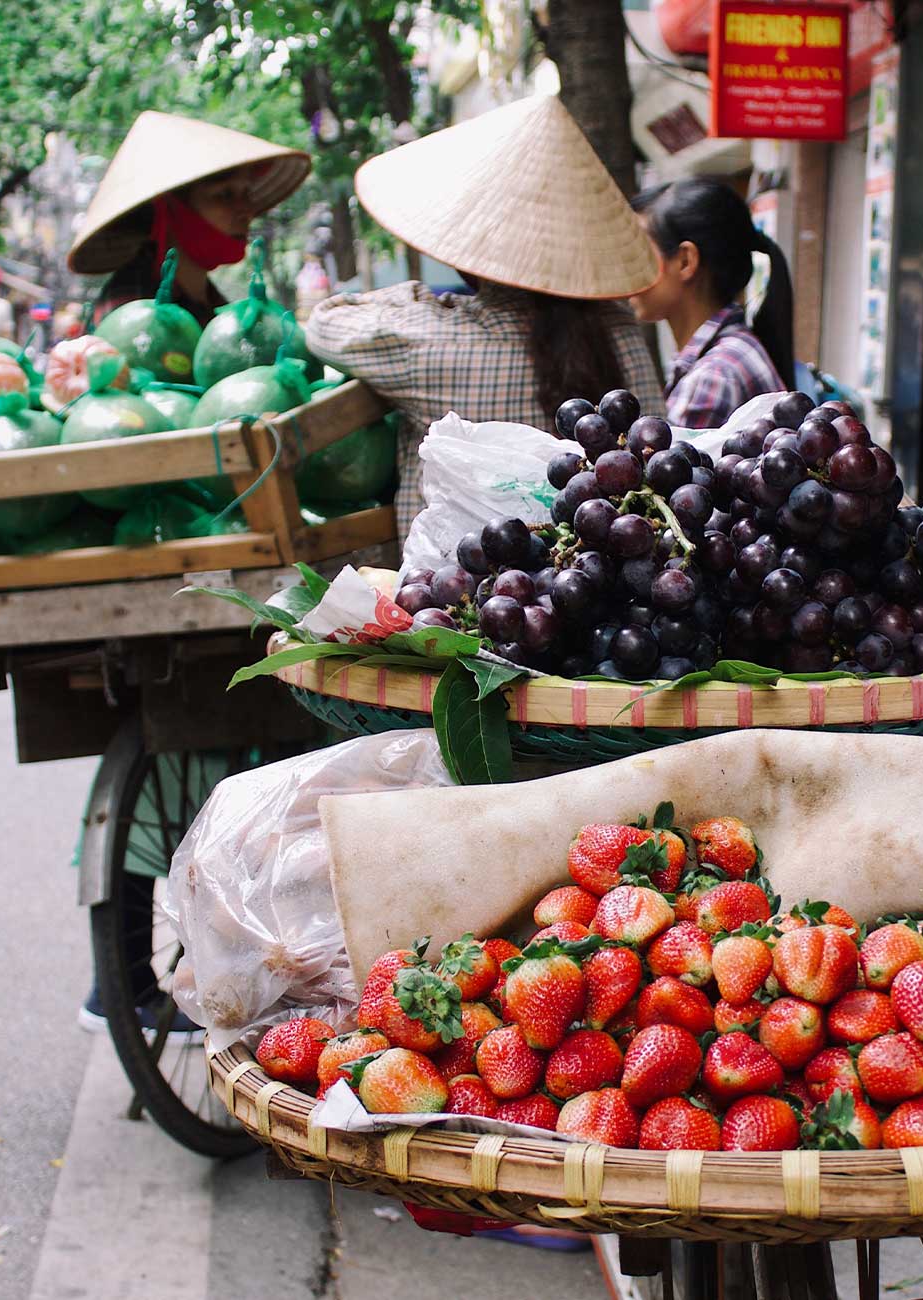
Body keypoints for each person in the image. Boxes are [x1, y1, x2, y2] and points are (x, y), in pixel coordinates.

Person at [63, 112, 308, 1039]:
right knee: (184, 761)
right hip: (167, 558)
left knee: (206, 768)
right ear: (168, 212)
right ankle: (122, 977)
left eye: (246, 195)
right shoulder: (137, 319)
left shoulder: (221, 313)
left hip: (220, 555)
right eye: (221, 196)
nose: (240, 212)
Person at [306, 95, 663, 545]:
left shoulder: (430, 339)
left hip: (461, 603)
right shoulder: (623, 332)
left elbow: (324, 323)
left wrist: (419, 298)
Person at [67, 111, 312, 329]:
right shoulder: (130, 305)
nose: (246, 210)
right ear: (171, 208)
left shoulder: (212, 304)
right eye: (225, 195)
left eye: (246, 194)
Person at [627, 178, 792, 429]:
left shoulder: (712, 378)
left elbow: (666, 467)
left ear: (685, 261)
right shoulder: (728, 353)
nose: (625, 269)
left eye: (638, 253)